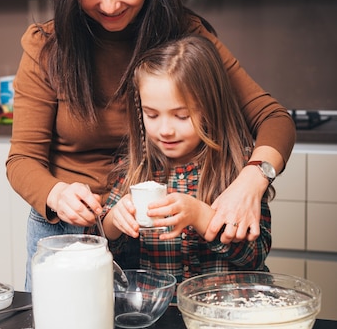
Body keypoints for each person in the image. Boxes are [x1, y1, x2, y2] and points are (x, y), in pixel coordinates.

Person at [5, 0, 295, 290]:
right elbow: (22, 160)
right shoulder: (48, 47)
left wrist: (251, 179)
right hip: (74, 232)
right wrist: (57, 193)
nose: (108, 4)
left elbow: (273, 119)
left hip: (157, 243)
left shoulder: (185, 35)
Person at [100, 35, 272, 281]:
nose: (165, 130)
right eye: (152, 114)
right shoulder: (136, 169)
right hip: (162, 312)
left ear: (211, 108)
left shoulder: (239, 170)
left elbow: (255, 255)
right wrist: (115, 222)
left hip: (228, 309)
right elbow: (104, 245)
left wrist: (201, 216)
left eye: (181, 116)